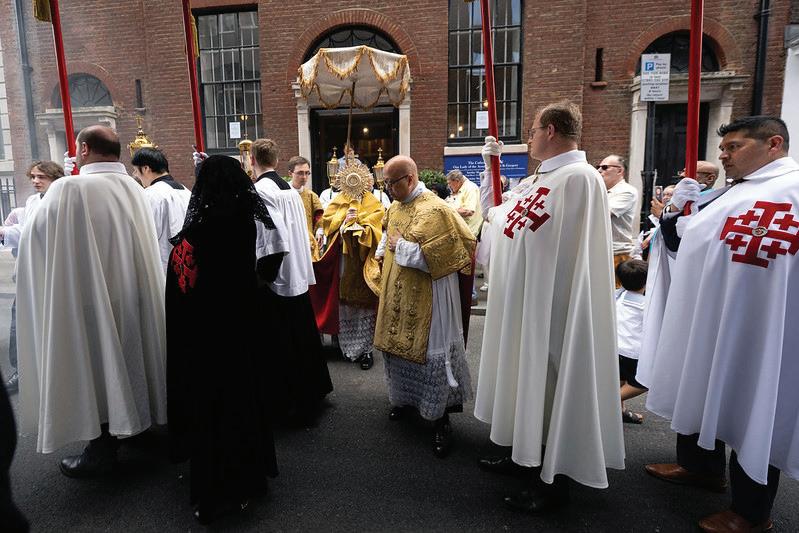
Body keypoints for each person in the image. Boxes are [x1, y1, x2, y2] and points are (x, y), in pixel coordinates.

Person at [640, 116, 799, 532]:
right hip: (712, 315)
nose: (724, 156)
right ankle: (701, 467)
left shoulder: (792, 191)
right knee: (703, 384)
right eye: (723, 147)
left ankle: (751, 512)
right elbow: (684, 244)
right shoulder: (735, 192)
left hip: (764, 325)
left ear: (774, 144)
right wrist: (675, 213)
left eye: (734, 147)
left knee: (756, 404)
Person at [474, 101, 624, 512]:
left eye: (533, 130)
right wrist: (490, 171)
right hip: (525, 301)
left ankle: (552, 483)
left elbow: (572, 252)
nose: (530, 138)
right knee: (526, 379)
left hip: (555, 308)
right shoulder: (541, 178)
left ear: (551, 131)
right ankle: (520, 452)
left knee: (552, 385)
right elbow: (497, 218)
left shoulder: (580, 179)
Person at [16, 125, 167, 477]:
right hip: (131, 296)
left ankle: (101, 450)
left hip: (86, 301)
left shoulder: (68, 189)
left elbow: (35, 239)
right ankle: (136, 426)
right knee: (130, 359)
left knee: (96, 369)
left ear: (84, 150)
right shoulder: (134, 187)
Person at [166, 155, 279, 523]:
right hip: (243, 334)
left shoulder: (197, 233)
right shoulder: (247, 224)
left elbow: (181, 289)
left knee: (213, 411)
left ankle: (216, 490)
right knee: (245, 403)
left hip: (207, 340)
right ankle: (250, 477)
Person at [374, 155, 476, 458]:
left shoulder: (436, 209)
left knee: (432, 352)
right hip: (398, 291)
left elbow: (448, 255)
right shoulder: (396, 205)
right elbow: (388, 232)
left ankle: (441, 418)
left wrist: (400, 247)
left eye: (392, 183)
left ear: (410, 179)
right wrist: (382, 250)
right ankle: (405, 401)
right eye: (385, 182)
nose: (388, 188)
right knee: (397, 347)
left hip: (430, 295)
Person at [249, 140, 333, 421]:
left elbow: (271, 238)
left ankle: (291, 402)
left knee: (283, 342)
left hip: (278, 277)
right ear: (276, 160)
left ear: (252, 160)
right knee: (303, 336)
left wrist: (263, 277)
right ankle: (314, 390)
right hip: (295, 271)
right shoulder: (288, 190)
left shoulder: (261, 191)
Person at [310, 174, 385, 370]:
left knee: (364, 305)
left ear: (366, 182)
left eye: (359, 181)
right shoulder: (338, 200)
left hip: (361, 261)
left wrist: (360, 223)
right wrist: (344, 221)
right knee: (342, 302)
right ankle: (342, 346)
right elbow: (328, 223)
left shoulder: (373, 202)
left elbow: (378, 224)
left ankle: (366, 349)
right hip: (343, 260)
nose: (355, 186)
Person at [1, 161, 64, 394]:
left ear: (55, 178)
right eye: (33, 177)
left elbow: (41, 233)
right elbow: (26, 230)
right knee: (19, 322)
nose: (36, 181)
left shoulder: (61, 201)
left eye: (41, 177)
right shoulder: (31, 201)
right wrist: (6, 232)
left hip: (51, 272)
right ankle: (21, 370)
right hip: (28, 272)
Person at [131, 147, 191, 271]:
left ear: (146, 168)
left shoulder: (150, 194)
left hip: (163, 266)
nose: (135, 175)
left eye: (136, 170)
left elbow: (145, 236)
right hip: (186, 264)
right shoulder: (186, 191)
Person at [615, 259, 648, 424]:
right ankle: (610, 401)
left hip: (615, 348)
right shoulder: (647, 305)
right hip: (632, 353)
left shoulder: (617, 295)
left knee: (619, 380)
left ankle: (620, 412)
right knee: (644, 383)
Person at [597, 154, 638, 285]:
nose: (599, 170)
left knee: (613, 293)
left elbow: (601, 214)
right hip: (599, 252)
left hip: (616, 254)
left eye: (604, 167)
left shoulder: (627, 191)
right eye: (598, 167)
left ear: (619, 170)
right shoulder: (601, 191)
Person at [287, 156, 324, 260]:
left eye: (307, 173)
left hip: (307, 243)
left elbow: (319, 216)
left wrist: (319, 231)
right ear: (290, 173)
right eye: (300, 173)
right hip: (290, 243)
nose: (304, 177)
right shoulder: (283, 194)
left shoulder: (311, 196)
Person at [445, 169, 483, 238]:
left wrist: (448, 210)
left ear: (457, 181)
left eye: (449, 183)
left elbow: (469, 211)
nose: (449, 186)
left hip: (468, 232)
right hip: (461, 231)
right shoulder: (461, 188)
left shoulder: (470, 188)